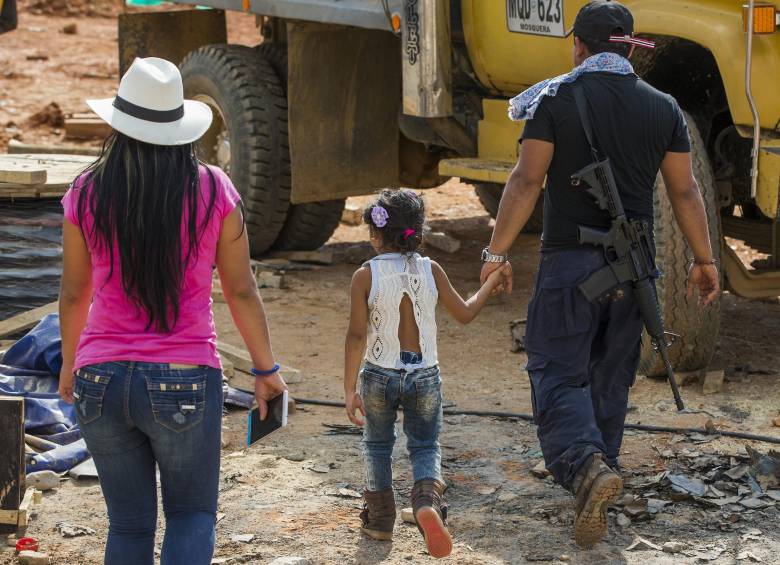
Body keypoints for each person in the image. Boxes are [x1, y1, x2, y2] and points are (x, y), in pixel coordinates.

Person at [480, 0, 720, 548]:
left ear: (580, 46)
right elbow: (685, 191)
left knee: (557, 369)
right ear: (627, 45)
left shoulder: (556, 99)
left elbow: (524, 181)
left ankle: (587, 469)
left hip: (571, 264)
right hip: (634, 270)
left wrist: (496, 254)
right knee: (611, 375)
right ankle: (600, 470)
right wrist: (705, 261)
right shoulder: (664, 108)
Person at [58, 57, 287, 565]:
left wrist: (71, 365)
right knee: (191, 515)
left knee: (129, 525)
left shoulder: (86, 191)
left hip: (99, 379)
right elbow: (241, 290)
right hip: (185, 378)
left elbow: (75, 295)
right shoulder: (212, 190)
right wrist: (265, 370)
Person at [343, 189, 509, 558]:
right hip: (424, 376)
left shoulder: (364, 275)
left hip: (378, 374)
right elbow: (465, 312)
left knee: (376, 444)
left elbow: (356, 335)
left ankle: (380, 521)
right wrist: (490, 283)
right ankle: (426, 504)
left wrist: (348, 388)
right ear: (418, 232)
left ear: (375, 234)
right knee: (425, 444)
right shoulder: (431, 269)